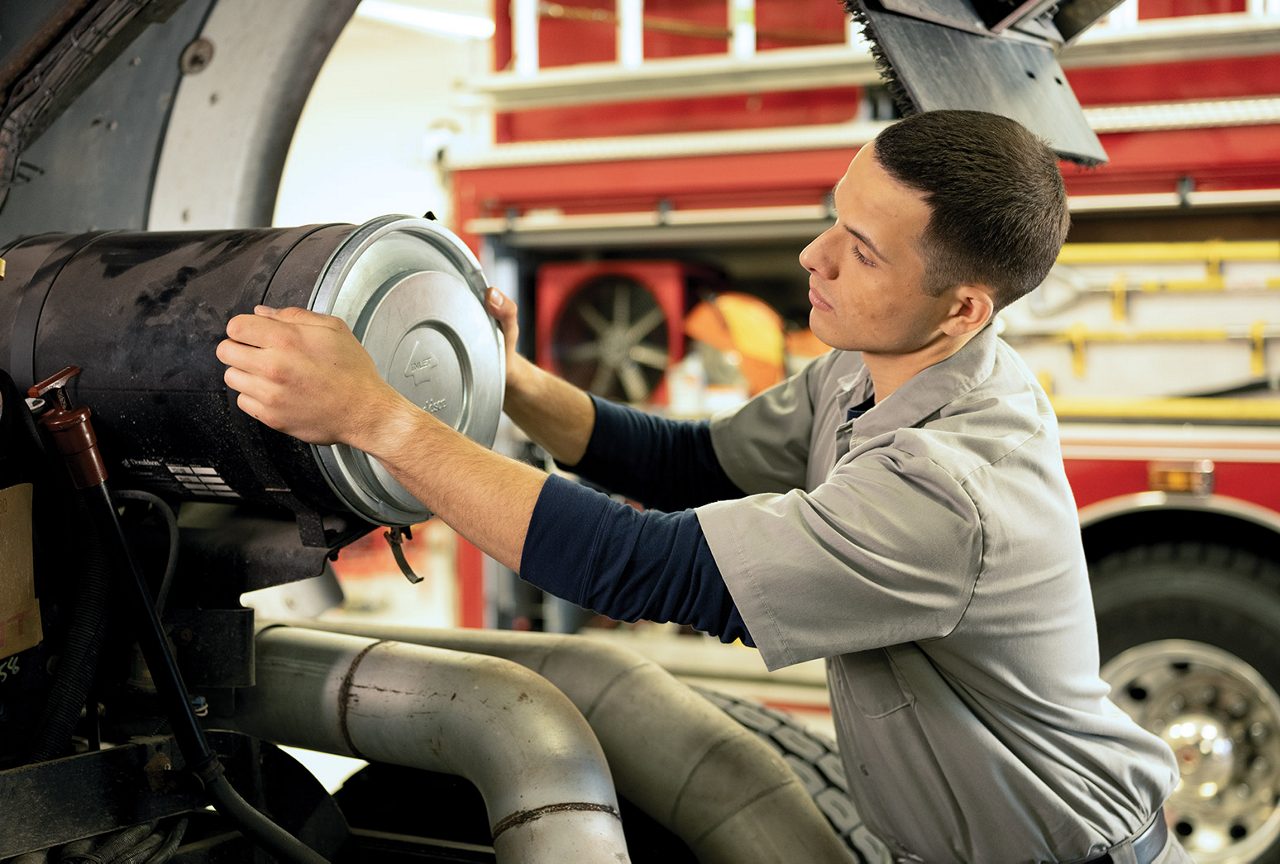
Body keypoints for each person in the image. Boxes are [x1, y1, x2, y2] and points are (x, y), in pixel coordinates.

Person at [218, 110, 1190, 863]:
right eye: (833, 219)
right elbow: (686, 466)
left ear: (960, 307)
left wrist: (378, 422)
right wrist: (507, 379)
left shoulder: (944, 494)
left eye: (861, 249)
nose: (814, 255)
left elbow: (644, 569)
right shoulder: (869, 371)